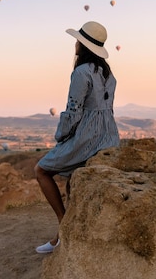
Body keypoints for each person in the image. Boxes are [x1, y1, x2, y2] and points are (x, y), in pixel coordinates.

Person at [34, 21, 120, 254]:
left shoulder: (81, 72)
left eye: (78, 41)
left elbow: (74, 111)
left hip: (88, 138)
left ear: (83, 45)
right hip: (109, 137)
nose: (75, 44)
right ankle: (65, 235)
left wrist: (62, 134)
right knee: (73, 179)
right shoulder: (109, 74)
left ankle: (64, 226)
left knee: (41, 170)